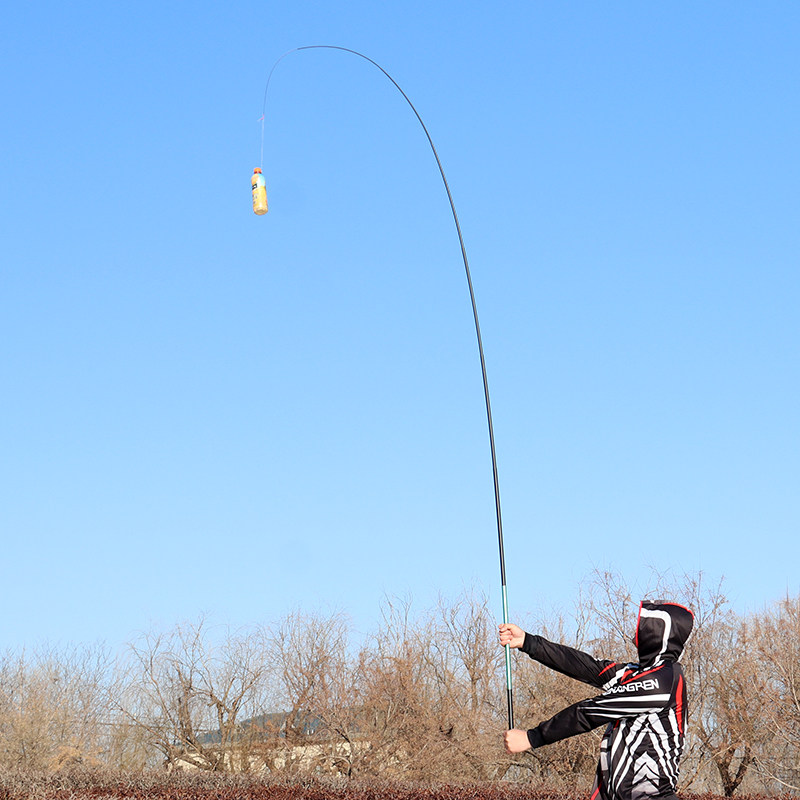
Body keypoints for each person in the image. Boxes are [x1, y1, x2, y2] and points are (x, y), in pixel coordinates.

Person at [499, 601, 694, 800]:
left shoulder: (664, 680)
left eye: (642, 626)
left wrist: (531, 738)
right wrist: (527, 642)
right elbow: (586, 666)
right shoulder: (636, 674)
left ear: (657, 633)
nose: (635, 633)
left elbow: (591, 712)